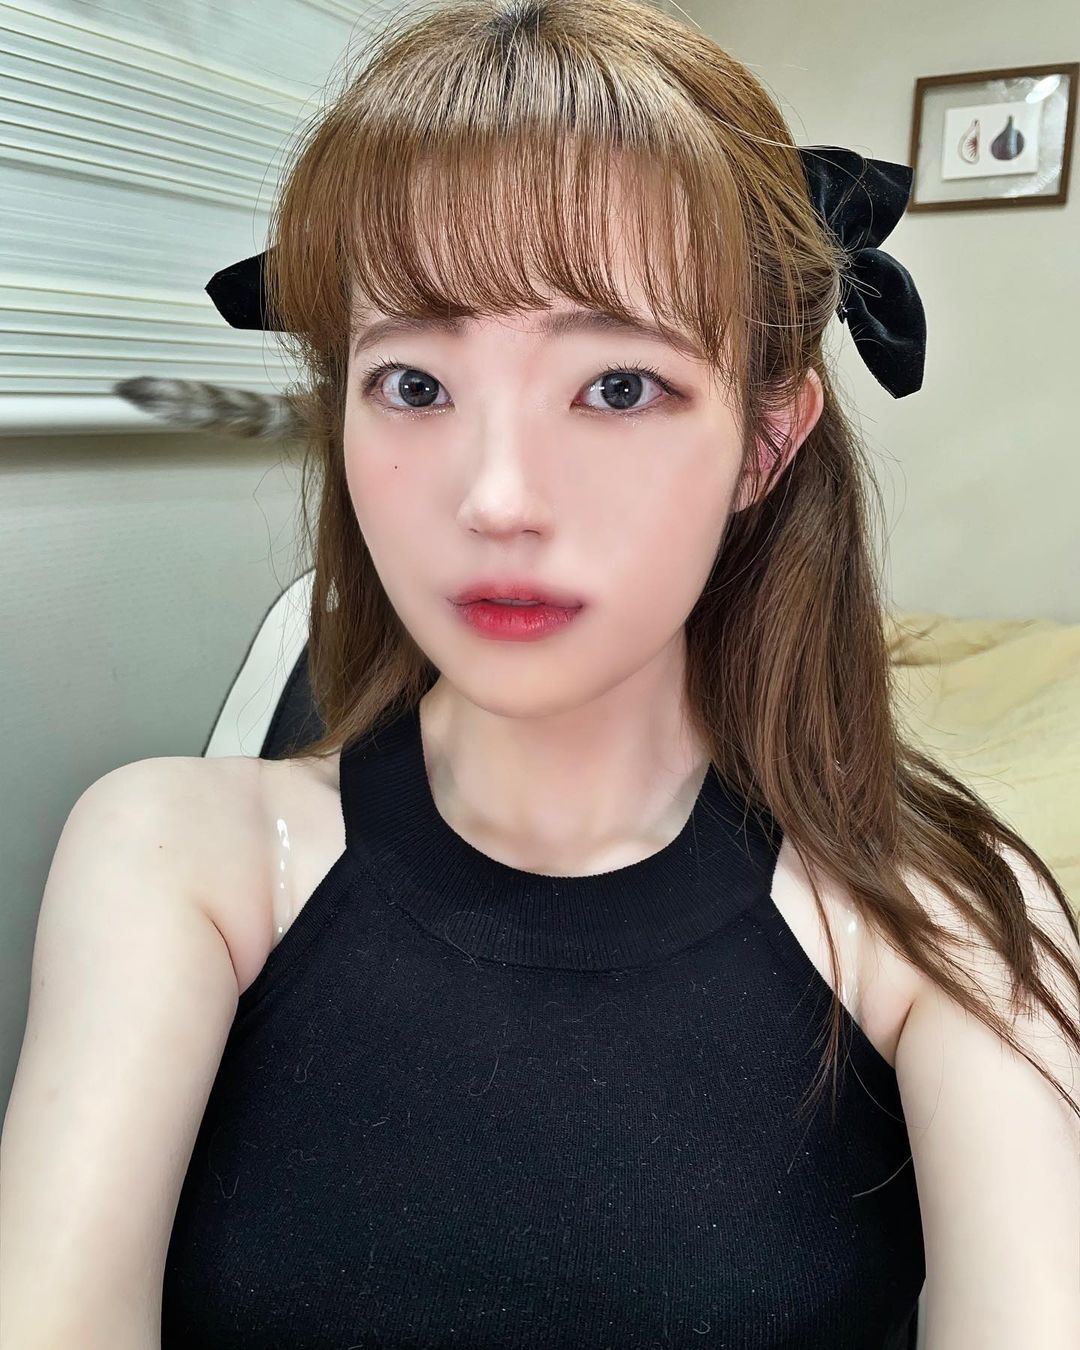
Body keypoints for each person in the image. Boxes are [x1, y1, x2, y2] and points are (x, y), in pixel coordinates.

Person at [3, 3, 1077, 1348]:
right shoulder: (173, 858)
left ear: (767, 440)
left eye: (618, 386)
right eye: (413, 384)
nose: (498, 498)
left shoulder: (950, 924)